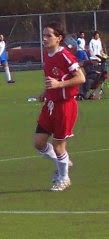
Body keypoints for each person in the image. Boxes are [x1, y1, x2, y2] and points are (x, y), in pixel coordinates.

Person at [34, 22, 85, 192]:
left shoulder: (65, 55)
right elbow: (51, 80)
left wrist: (59, 84)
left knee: (58, 146)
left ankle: (64, 178)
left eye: (49, 35)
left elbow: (81, 78)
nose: (45, 39)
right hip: (50, 104)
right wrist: (45, 91)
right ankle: (62, 163)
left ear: (59, 38)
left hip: (65, 106)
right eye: (44, 35)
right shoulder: (47, 55)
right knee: (39, 143)